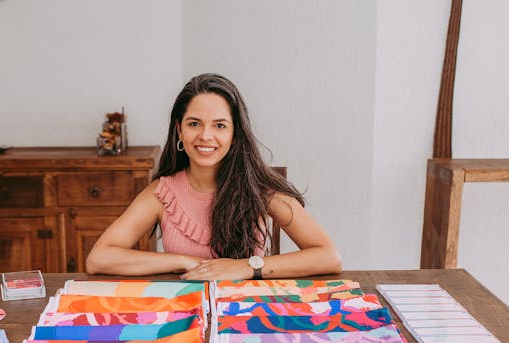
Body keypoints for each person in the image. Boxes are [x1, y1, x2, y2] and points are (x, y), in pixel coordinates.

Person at [85, 73, 342, 280]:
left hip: (246, 315)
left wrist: (246, 267)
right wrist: (186, 262)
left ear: (235, 134)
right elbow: (99, 259)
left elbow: (328, 256)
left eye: (219, 125)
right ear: (179, 130)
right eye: (194, 123)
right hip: (184, 314)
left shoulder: (260, 189)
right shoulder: (161, 193)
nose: (206, 136)